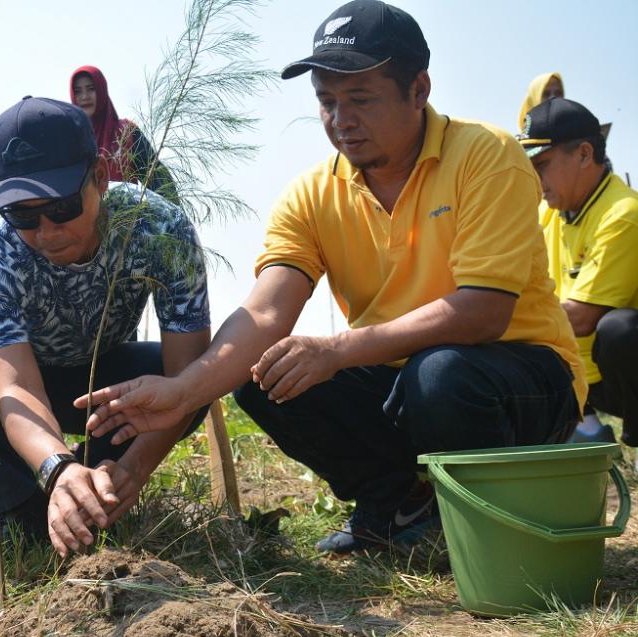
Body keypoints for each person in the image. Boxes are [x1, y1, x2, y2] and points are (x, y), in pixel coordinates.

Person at [80, 0, 585, 556]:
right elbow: (266, 315)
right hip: (398, 380)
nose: (341, 119)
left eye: (360, 99)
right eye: (327, 101)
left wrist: (339, 349)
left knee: (439, 376)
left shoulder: (486, 157)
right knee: (260, 371)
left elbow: (484, 312)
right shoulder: (313, 194)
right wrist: (183, 391)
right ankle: (394, 503)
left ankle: (474, 523)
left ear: (419, 90)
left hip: (522, 378)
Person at [0, 96, 210, 557]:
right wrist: (56, 468)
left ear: (100, 178)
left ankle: (101, 488)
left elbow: (186, 380)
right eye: (23, 216)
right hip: (13, 380)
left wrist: (135, 469)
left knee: (188, 375)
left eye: (61, 208)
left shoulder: (157, 228)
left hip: (103, 381)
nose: (46, 232)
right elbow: (15, 389)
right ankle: (26, 508)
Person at [519, 97, 638, 447]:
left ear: (585, 154)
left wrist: (488, 318)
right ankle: (583, 431)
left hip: (619, 370)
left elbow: (582, 318)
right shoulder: (549, 213)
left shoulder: (623, 214)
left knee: (618, 331)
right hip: (585, 375)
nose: (535, 179)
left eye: (541, 165)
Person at [70, 65, 176, 200]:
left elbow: (159, 181)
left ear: (101, 90)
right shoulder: (70, 140)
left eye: (91, 89)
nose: (84, 97)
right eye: (78, 91)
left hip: (125, 219)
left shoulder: (126, 132)